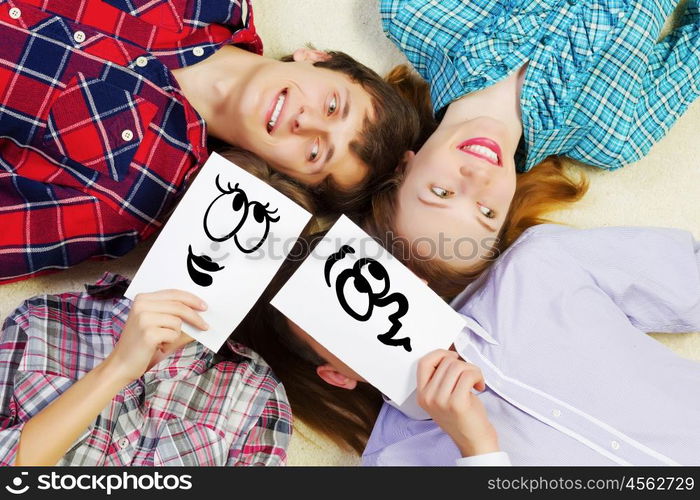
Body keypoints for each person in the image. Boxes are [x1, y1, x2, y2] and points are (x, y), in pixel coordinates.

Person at [0, 0, 419, 284]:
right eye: (332, 105)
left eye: (314, 153)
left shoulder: (131, 200)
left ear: (287, 179)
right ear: (319, 56)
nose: (305, 122)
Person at [245, 224, 700, 465]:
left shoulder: (538, 268)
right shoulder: (394, 465)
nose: (372, 308)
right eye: (339, 326)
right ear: (339, 376)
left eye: (376, 281)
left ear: (412, 276)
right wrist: (478, 449)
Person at [0, 149, 310, 466]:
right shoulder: (39, 321)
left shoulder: (257, 395)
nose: (217, 251)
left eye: (251, 247)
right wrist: (116, 369)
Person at [374, 0, 700, 288]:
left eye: (442, 192)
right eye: (487, 212)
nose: (478, 179)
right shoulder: (615, 136)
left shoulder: (414, 13)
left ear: (405, 166)